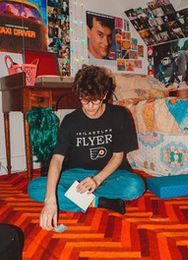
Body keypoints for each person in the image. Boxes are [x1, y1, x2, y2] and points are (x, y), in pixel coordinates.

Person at [28, 65, 145, 230]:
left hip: (110, 174)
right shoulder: (70, 120)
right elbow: (57, 159)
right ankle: (97, 201)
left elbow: (118, 156)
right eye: (84, 99)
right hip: (77, 176)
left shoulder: (120, 115)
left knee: (136, 185)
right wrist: (50, 200)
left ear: (104, 95)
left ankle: (79, 198)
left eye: (95, 100)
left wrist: (97, 180)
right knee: (35, 187)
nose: (89, 106)